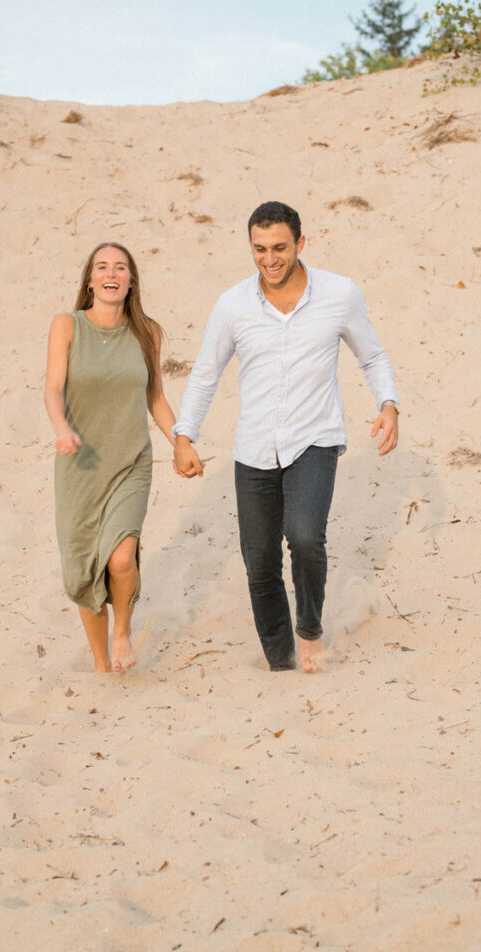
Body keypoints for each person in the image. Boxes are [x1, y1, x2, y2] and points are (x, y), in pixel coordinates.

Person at [173, 201, 399, 672]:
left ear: (300, 243)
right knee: (258, 562)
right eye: (259, 249)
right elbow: (205, 373)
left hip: (313, 439)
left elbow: (372, 357)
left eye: (279, 247)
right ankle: (280, 661)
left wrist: (388, 405)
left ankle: (310, 630)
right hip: (253, 446)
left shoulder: (339, 294)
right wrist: (184, 434)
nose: (269, 259)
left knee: (304, 535)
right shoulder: (233, 304)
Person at [44, 242, 181, 673]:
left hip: (129, 462)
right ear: (90, 280)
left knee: (121, 558)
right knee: (83, 570)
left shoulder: (147, 332)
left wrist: (181, 441)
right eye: (102, 267)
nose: (112, 273)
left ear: (131, 280)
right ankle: (102, 666)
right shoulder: (67, 326)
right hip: (80, 467)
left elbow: (155, 396)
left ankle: (121, 630)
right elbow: (51, 389)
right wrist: (62, 428)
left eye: (120, 267)